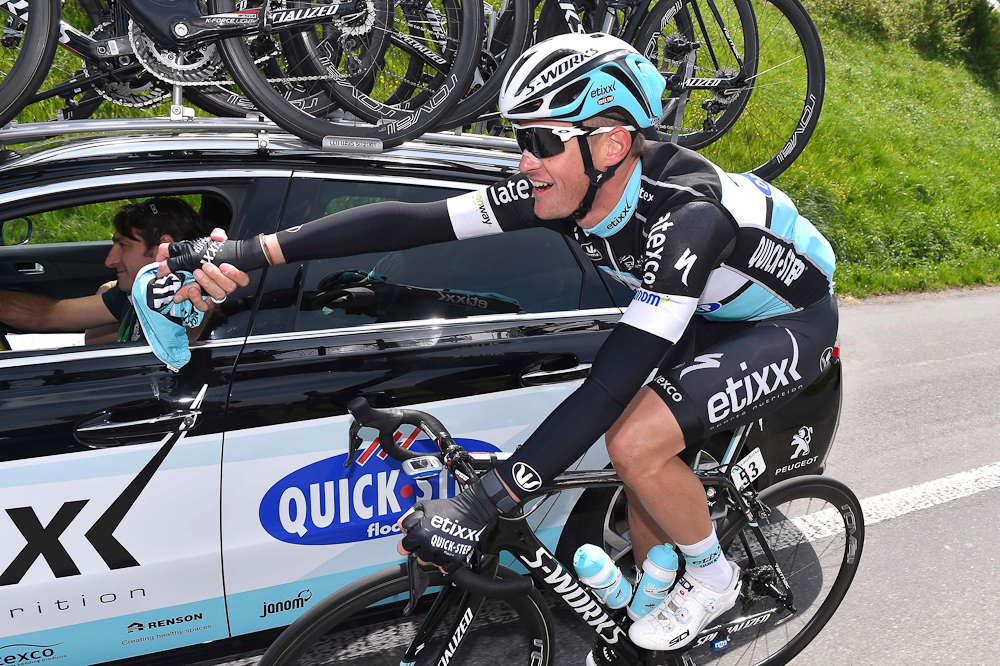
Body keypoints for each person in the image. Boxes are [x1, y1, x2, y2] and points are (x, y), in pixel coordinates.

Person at [159, 32, 837, 658]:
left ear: (610, 146)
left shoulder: (688, 217)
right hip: (705, 310)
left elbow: (609, 382)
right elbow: (408, 223)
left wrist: (490, 499)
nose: (524, 161)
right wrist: (249, 251)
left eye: (541, 140)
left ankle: (714, 578)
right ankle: (658, 595)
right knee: (642, 478)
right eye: (520, 139)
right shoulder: (570, 187)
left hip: (788, 321)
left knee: (634, 442)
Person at [0, 198, 245, 348]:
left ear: (164, 247)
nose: (110, 260)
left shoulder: (186, 295)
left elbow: (186, 325)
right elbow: (51, 314)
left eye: (123, 246)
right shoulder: (138, 291)